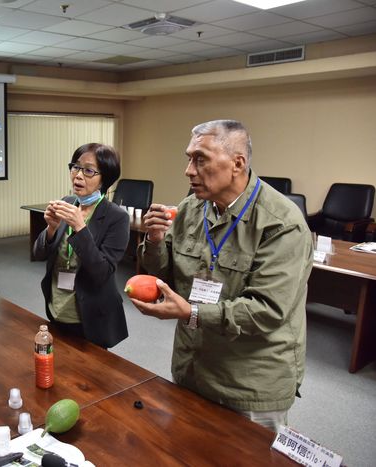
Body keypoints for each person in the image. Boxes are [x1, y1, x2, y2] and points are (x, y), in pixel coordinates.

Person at [133, 120, 312, 431]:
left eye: (200, 159)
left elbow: (266, 311)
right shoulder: (192, 208)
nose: (189, 170)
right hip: (193, 367)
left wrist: (191, 311)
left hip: (248, 383)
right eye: (188, 158)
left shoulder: (282, 224)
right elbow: (164, 272)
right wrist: (155, 240)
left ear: (237, 163)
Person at [33, 143, 129, 348]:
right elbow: (38, 254)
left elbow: (102, 272)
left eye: (88, 170)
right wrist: (50, 229)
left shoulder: (117, 217)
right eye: (75, 167)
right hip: (57, 306)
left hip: (91, 315)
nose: (78, 175)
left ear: (105, 178)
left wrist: (80, 228)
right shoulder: (68, 202)